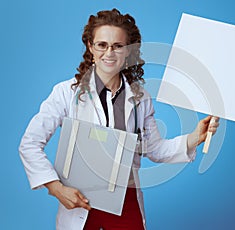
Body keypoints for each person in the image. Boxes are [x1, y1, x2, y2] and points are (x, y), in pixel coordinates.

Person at [19, 8, 219, 230]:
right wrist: (56, 188)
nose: (109, 53)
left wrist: (194, 137)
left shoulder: (140, 98)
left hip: (126, 204)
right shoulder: (66, 93)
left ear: (128, 51)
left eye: (118, 46)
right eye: (102, 45)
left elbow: (155, 149)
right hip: (80, 204)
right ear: (90, 47)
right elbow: (29, 144)